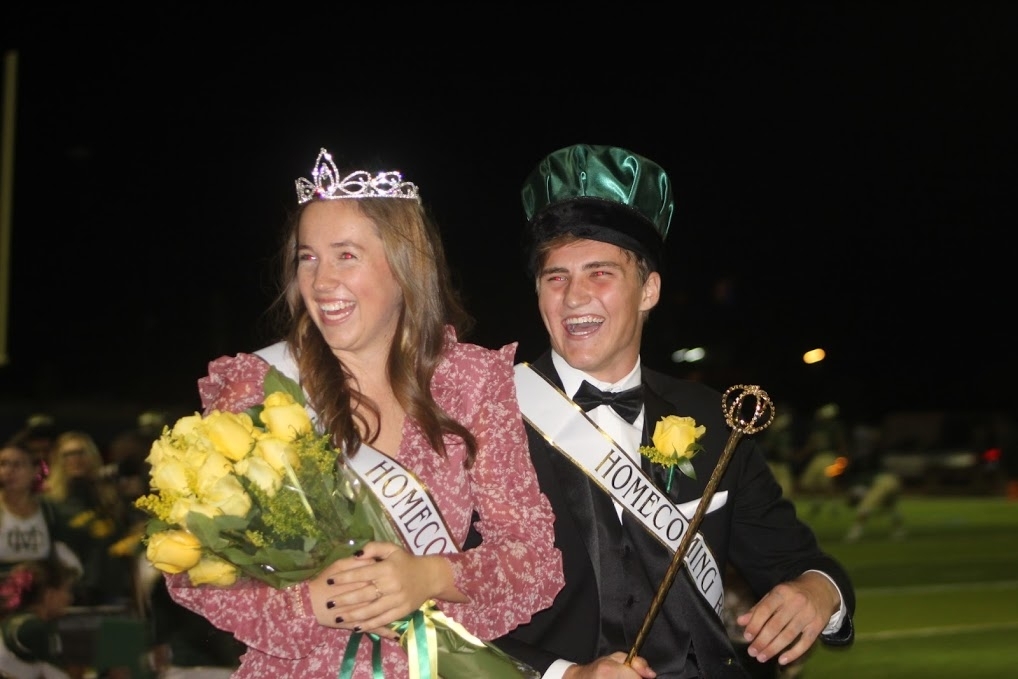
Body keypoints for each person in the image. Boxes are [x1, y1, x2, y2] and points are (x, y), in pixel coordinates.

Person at [166, 147, 564, 678]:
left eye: (346, 255)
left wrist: (430, 577)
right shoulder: (257, 385)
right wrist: (307, 604)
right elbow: (191, 564)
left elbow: (531, 559)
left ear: (404, 266)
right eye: (308, 257)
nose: (321, 281)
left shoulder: (470, 382)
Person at [475, 144, 855, 678]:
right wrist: (564, 673)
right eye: (555, 277)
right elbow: (446, 611)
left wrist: (817, 592)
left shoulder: (714, 419)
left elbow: (799, 562)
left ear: (648, 289)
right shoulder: (483, 419)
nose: (574, 297)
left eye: (600, 273)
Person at [0, 559, 80, 679]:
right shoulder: (33, 627)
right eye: (66, 590)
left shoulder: (16, 621)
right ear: (49, 595)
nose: (70, 598)